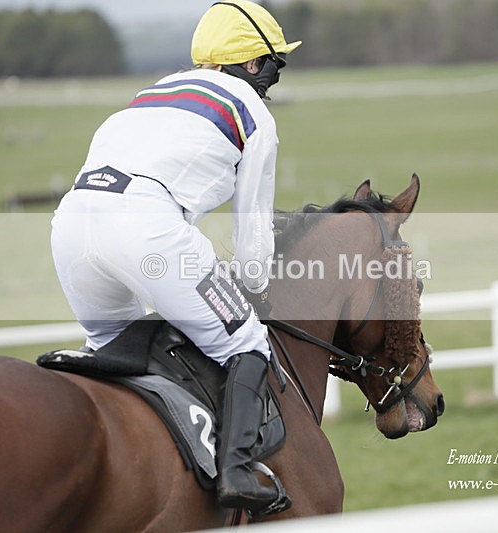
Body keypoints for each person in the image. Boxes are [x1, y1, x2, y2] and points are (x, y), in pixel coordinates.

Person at [50, 0, 300, 513]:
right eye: (275, 62)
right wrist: (251, 289)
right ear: (252, 63)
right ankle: (236, 472)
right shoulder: (253, 112)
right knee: (247, 340)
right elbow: (252, 232)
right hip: (146, 228)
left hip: (70, 226)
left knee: (112, 347)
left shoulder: (152, 93)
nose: (276, 76)